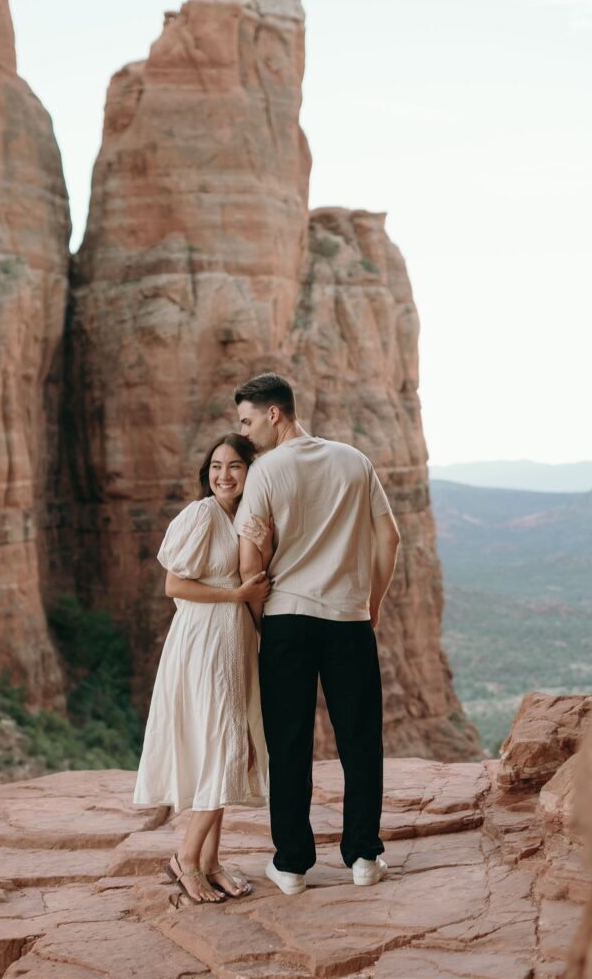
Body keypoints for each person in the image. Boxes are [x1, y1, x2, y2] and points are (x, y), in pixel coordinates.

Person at [234, 373, 401, 896]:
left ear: (274, 414)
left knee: (288, 742)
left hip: (287, 621)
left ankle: (291, 865)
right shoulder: (354, 460)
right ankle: (364, 858)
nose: (244, 430)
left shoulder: (265, 473)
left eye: (247, 420)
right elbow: (389, 537)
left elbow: (250, 564)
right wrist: (370, 602)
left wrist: (264, 620)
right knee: (360, 740)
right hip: (349, 620)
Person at [133, 433, 273, 904]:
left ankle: (212, 862)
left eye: (235, 466)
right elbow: (174, 583)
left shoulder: (243, 519)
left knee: (227, 747)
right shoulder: (200, 515)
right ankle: (186, 860)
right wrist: (236, 596)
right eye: (216, 466)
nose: (223, 475)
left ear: (252, 471)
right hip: (203, 642)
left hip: (233, 643)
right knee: (223, 747)